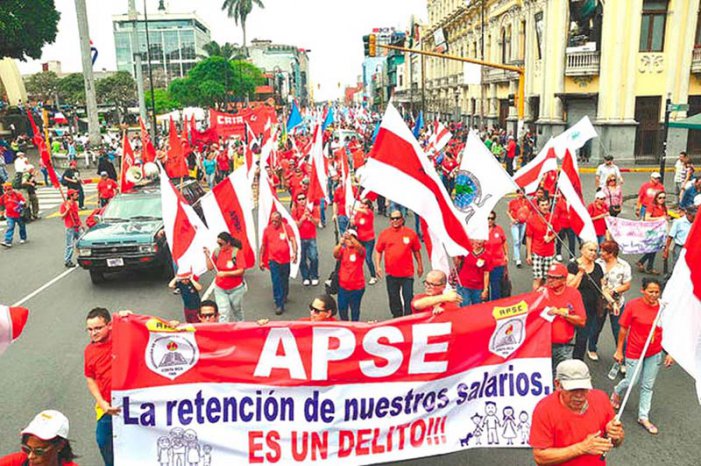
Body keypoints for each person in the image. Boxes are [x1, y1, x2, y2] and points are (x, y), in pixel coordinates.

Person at [611, 278, 674, 435]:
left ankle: (643, 416)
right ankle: (617, 391)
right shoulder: (633, 305)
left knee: (647, 385)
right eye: (650, 291)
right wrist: (619, 350)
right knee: (632, 381)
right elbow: (623, 329)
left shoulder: (663, 308)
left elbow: (670, 331)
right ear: (643, 290)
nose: (653, 295)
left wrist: (671, 352)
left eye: (656, 292)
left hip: (654, 352)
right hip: (635, 350)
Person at [530, 359, 624, 465]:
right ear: (557, 384)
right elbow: (540, 457)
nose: (579, 396)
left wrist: (617, 436)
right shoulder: (544, 409)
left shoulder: (601, 398)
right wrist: (581, 448)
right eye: (573, 389)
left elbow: (615, 442)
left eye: (584, 388)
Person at [84, 307, 119, 466]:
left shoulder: (122, 337)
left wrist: (127, 316)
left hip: (133, 403)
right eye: (90, 329)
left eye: (98, 328)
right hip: (107, 406)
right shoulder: (89, 351)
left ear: (109, 325)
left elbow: (142, 328)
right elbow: (90, 379)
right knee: (103, 440)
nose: (94, 333)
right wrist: (102, 403)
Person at [374, 211, 423, 318]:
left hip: (407, 274)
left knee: (408, 297)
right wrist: (377, 266)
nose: (395, 221)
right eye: (392, 218)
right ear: (390, 220)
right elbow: (378, 251)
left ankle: (408, 318)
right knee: (394, 298)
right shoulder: (385, 234)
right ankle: (397, 317)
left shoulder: (410, 233)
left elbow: (416, 251)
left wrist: (420, 265)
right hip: (391, 274)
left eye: (397, 218)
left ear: (402, 219)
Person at [543, 263, 587, 371]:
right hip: (544, 345)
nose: (550, 280)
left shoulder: (573, 294)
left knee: (563, 377)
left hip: (564, 346)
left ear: (564, 280)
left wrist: (561, 313)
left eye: (555, 277)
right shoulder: (542, 292)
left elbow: (581, 321)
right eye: (549, 277)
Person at [567, 241, 605, 362]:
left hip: (590, 309)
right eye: (590, 250)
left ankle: (577, 363)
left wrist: (611, 301)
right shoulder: (573, 265)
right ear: (582, 250)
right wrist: (580, 273)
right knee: (567, 336)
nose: (593, 253)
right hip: (573, 308)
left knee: (582, 338)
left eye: (595, 250)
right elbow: (570, 287)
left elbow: (602, 287)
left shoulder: (598, 267)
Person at [0, 410, 79, 466]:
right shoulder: (14, 462)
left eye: (38, 451)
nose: (30, 456)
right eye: (27, 449)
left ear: (60, 445)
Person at [259, 212, 298, 315]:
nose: (274, 223)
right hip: (273, 260)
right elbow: (263, 245)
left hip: (285, 261)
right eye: (272, 221)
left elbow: (293, 240)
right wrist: (261, 260)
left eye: (276, 221)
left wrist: (295, 253)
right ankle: (279, 304)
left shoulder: (287, 228)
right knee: (276, 281)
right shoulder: (267, 230)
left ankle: (284, 295)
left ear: (280, 220)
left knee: (284, 279)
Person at [204, 232, 247, 322]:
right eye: (218, 243)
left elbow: (241, 271)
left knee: (237, 310)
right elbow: (210, 267)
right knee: (223, 312)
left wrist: (225, 274)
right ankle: (224, 332)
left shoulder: (236, 252)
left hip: (236, 289)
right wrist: (207, 256)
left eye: (221, 244)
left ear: (228, 243)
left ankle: (240, 327)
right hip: (220, 288)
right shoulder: (217, 252)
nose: (219, 246)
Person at [333, 229, 366, 321]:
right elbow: (335, 254)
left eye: (352, 238)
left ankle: (355, 327)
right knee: (342, 309)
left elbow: (360, 248)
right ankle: (346, 327)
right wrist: (340, 243)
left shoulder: (360, 251)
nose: (350, 240)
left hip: (357, 288)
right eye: (347, 239)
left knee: (355, 310)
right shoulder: (343, 250)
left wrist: (351, 237)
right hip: (343, 287)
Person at [526, 198, 557, 290]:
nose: (545, 207)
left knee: (546, 278)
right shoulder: (532, 219)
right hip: (537, 252)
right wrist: (528, 254)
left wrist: (551, 237)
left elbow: (557, 231)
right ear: (538, 206)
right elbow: (529, 237)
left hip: (549, 252)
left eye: (546, 204)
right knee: (538, 278)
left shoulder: (553, 217)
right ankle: (535, 298)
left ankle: (543, 298)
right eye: (542, 205)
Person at [291, 192, 320, 286]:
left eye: (303, 198)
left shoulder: (313, 209)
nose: (302, 201)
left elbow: (317, 223)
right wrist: (302, 219)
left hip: (311, 237)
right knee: (302, 259)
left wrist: (310, 217)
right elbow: (296, 226)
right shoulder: (295, 211)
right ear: (297, 201)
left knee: (314, 257)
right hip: (300, 238)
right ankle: (305, 277)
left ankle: (314, 275)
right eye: (299, 199)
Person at [636, 190, 668, 275]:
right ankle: (647, 265)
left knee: (655, 248)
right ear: (656, 198)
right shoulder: (652, 206)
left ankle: (644, 263)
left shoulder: (664, 207)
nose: (662, 199)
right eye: (660, 198)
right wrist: (659, 218)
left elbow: (665, 217)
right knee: (653, 248)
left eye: (664, 198)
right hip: (651, 230)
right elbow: (647, 218)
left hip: (659, 231)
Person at [455, 239, 492, 305]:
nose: (478, 242)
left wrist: (485, 289)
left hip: (478, 287)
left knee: (477, 307)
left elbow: (486, 273)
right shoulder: (466, 250)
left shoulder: (487, 255)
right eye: (477, 240)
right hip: (464, 284)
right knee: (465, 306)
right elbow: (458, 261)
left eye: (481, 241)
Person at [352, 198, 378, 285]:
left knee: (368, 258)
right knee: (358, 257)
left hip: (369, 240)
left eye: (363, 204)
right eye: (361, 203)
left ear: (367, 205)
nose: (361, 205)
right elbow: (355, 223)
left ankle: (373, 276)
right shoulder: (359, 213)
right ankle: (357, 275)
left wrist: (354, 207)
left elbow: (365, 211)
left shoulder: (369, 212)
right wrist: (352, 221)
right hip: (360, 239)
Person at [486, 211, 508, 300]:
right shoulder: (480, 230)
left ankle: (495, 305)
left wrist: (506, 255)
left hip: (498, 263)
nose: (490, 220)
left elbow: (504, 241)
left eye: (492, 218)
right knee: (485, 288)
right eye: (488, 218)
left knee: (496, 287)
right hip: (484, 264)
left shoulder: (499, 229)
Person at [0, 182, 27, 248]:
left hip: (19, 215)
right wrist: (2, 212)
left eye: (10, 189)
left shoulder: (17, 195)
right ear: (4, 190)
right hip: (9, 215)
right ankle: (8, 241)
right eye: (7, 190)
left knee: (22, 226)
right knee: (10, 227)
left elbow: (24, 201)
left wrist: (22, 204)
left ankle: (23, 237)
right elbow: (1, 204)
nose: (9, 191)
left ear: (12, 189)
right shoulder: (3, 197)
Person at [507, 189, 529, 267]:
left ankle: (516, 255)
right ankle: (518, 259)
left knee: (519, 240)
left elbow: (529, 212)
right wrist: (512, 219)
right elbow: (508, 211)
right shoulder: (512, 202)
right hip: (515, 223)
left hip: (523, 223)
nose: (521, 195)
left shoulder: (526, 202)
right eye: (519, 193)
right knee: (516, 240)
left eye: (522, 193)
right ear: (516, 193)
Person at [59, 189, 82, 268]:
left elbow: (76, 215)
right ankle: (67, 260)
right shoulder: (64, 205)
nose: (77, 196)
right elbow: (62, 217)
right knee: (70, 245)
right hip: (70, 227)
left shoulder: (75, 203)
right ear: (71, 196)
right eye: (75, 194)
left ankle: (82, 257)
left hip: (77, 226)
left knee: (81, 242)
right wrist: (67, 210)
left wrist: (81, 224)